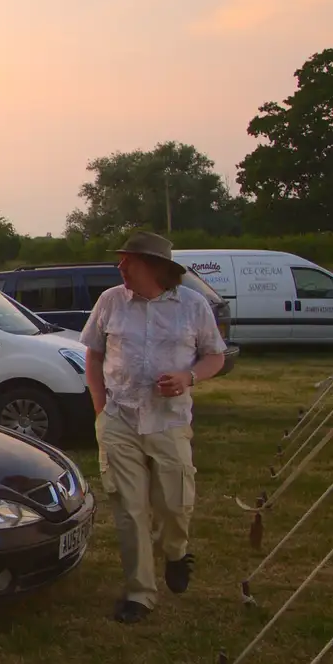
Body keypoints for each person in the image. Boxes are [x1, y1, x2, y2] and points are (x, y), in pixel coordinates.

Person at [80, 231, 227, 624]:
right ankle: (140, 593)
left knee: (175, 504)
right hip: (119, 418)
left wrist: (188, 377)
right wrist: (100, 411)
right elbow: (93, 356)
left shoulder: (192, 306)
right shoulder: (111, 301)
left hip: (169, 420)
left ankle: (176, 552)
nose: (120, 267)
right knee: (129, 508)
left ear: (154, 266)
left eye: (128, 260)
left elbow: (216, 356)